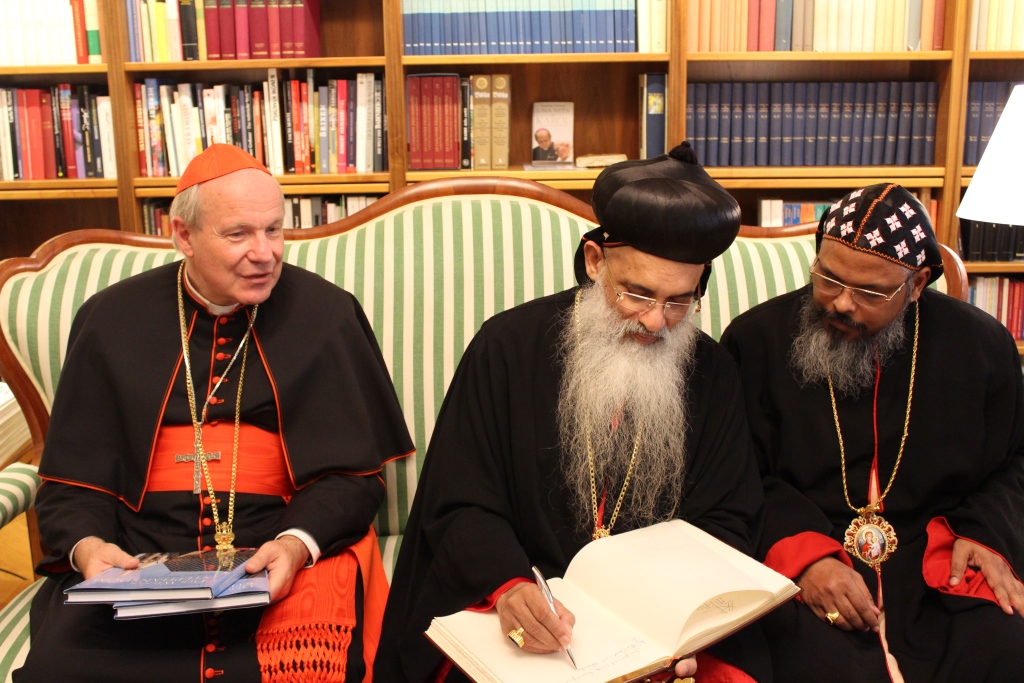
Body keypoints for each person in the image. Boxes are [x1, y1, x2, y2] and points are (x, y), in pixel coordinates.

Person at [15, 144, 414, 683]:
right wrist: (88, 548)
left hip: (279, 554)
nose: (265, 253)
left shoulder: (328, 314)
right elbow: (72, 483)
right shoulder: (110, 320)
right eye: (238, 234)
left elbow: (353, 477)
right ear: (184, 236)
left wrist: (296, 545)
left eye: (274, 230)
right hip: (138, 558)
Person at [376, 142, 771, 683]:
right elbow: (462, 500)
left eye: (680, 301)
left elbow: (727, 520)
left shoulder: (712, 372)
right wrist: (508, 586)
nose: (656, 322)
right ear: (594, 261)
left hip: (656, 623)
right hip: (528, 607)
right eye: (637, 294)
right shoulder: (507, 348)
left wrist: (679, 622)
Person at [720, 182, 1024, 682]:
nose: (841, 304)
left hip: (936, 558)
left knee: (1005, 648)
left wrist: (986, 533)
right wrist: (804, 557)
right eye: (828, 279)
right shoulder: (756, 342)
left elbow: (1014, 460)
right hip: (809, 553)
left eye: (870, 292)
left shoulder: (981, 346)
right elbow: (735, 474)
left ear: (917, 283)